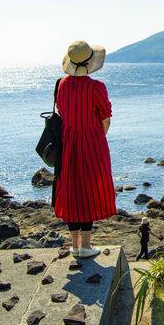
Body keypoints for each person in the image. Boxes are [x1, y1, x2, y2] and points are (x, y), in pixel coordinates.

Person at [53, 40, 116, 259]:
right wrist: (96, 136)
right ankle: (86, 245)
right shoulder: (96, 87)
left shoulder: (60, 84)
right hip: (92, 143)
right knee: (89, 191)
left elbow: (62, 113)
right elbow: (105, 119)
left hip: (67, 143)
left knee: (71, 191)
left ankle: (75, 244)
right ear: (90, 62)